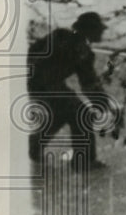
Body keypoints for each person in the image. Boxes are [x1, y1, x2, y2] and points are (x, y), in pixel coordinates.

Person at [27, 11, 116, 171]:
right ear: (89, 30)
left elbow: (88, 81)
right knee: (79, 113)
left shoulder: (73, 44)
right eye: (98, 30)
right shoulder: (71, 44)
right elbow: (87, 81)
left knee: (64, 112)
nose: (102, 33)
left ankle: (33, 147)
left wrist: (102, 103)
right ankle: (84, 160)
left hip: (45, 83)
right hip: (40, 82)